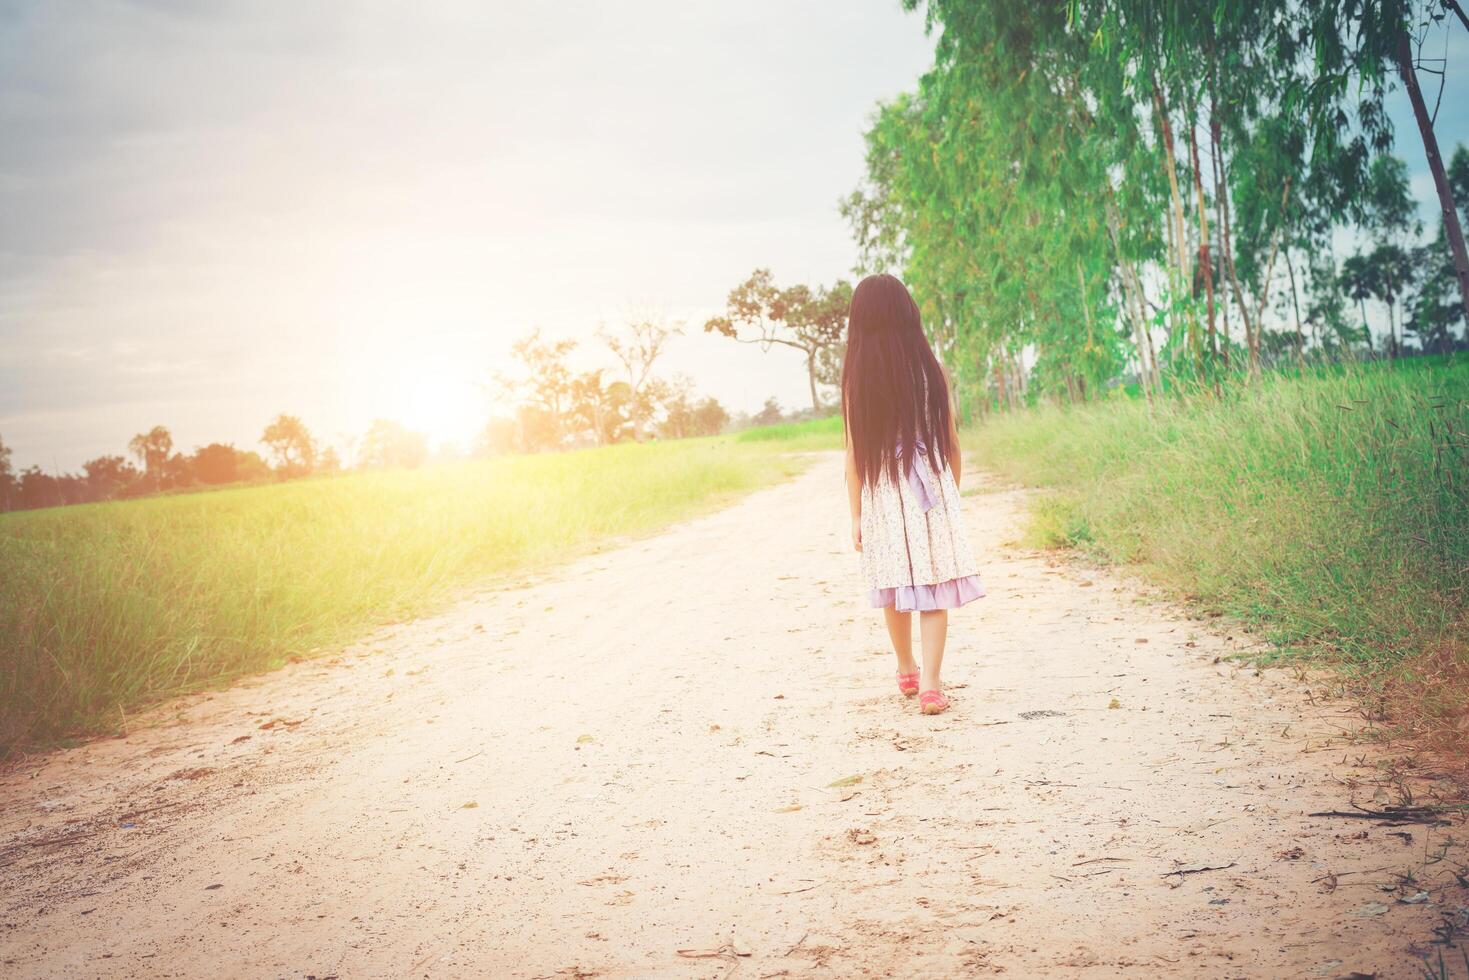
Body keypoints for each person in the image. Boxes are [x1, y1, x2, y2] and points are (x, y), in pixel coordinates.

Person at [842, 274, 984, 715]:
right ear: (908, 313)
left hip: (883, 492)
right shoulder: (931, 369)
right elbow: (953, 443)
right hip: (930, 487)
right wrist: (949, 497)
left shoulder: (856, 379)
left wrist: (856, 515)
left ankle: (905, 666)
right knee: (934, 586)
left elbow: (853, 457)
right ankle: (931, 685)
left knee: (894, 583)